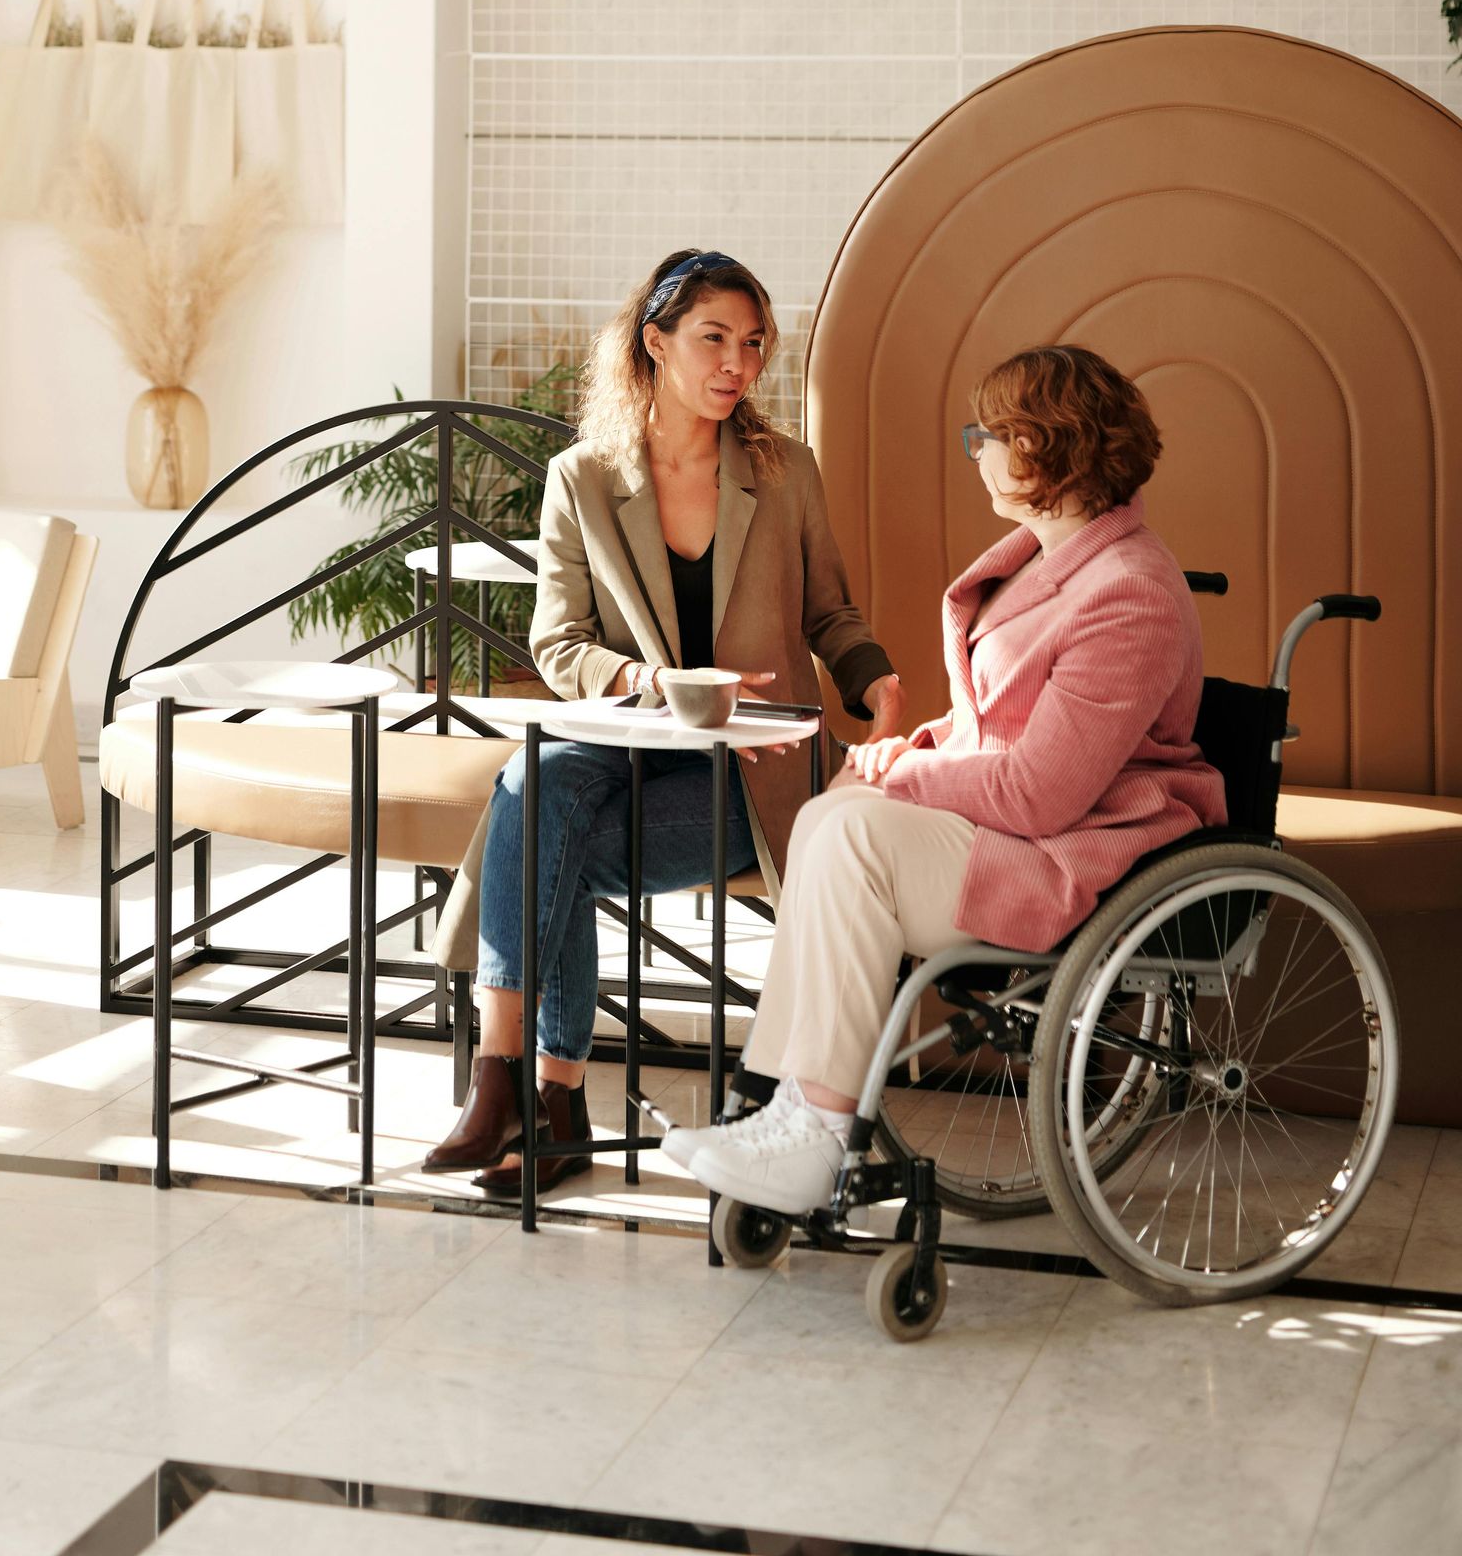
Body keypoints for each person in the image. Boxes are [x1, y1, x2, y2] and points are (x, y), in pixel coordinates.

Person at [672, 341, 1226, 1216]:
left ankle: (816, 1130)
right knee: (829, 815)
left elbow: (1044, 792)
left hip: (1083, 853)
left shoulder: (1130, 592)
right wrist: (910, 755)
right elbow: (994, 726)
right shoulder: (1048, 561)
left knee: (852, 833)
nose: (980, 451)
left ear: (1053, 443)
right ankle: (785, 1105)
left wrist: (913, 772)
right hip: (1019, 823)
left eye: (993, 434)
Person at [426, 247, 902, 1192]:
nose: (738, 363)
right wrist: (647, 679)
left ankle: (522, 1093)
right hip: (625, 748)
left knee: (538, 833)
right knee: (539, 780)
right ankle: (526, 1094)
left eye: (754, 344)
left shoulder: (785, 470)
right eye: (714, 339)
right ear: (655, 341)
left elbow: (830, 615)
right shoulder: (584, 478)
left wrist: (876, 682)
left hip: (752, 768)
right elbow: (558, 646)